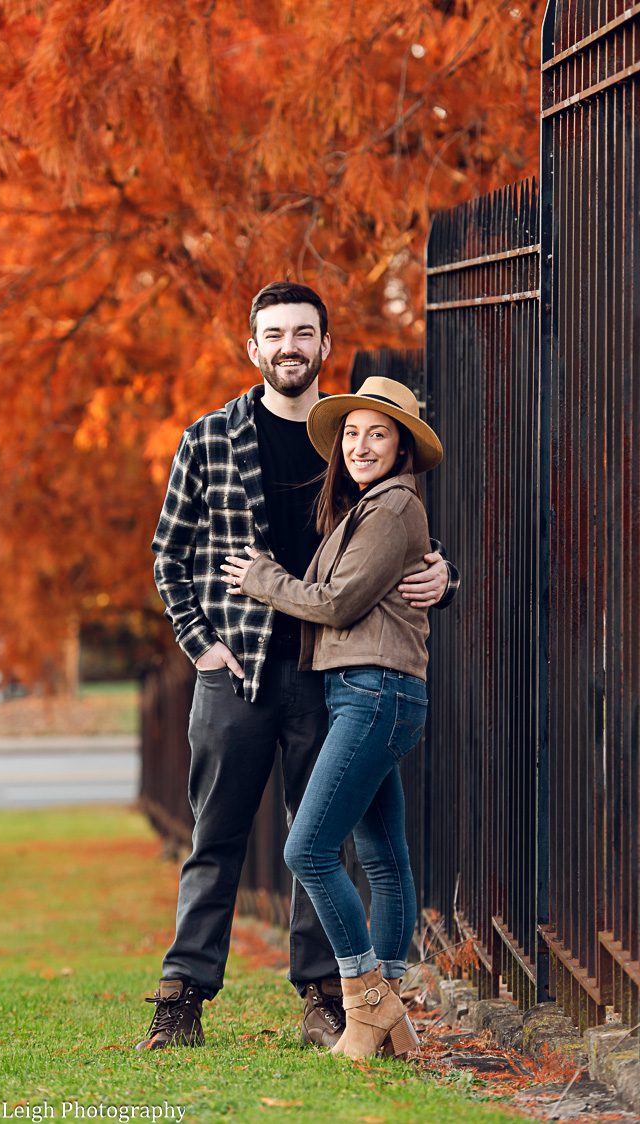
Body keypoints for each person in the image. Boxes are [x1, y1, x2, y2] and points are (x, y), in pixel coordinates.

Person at [137, 282, 458, 1052]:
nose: (289, 345)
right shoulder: (209, 439)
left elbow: (393, 543)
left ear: (323, 346)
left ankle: (326, 998)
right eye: (274, 333)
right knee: (215, 838)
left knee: (320, 840)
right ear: (254, 348)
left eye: (304, 333)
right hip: (236, 673)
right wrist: (200, 643)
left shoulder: (346, 449)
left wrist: (447, 578)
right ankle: (182, 997)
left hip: (327, 675)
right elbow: (167, 555)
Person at [221, 376, 441, 1059]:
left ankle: (365, 997)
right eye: (351, 432)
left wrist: (262, 580)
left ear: (402, 445)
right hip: (369, 691)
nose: (361, 444)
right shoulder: (368, 508)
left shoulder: (394, 505)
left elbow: (337, 602)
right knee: (381, 856)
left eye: (378, 433)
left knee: (307, 849)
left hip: (374, 692)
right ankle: (392, 1014)